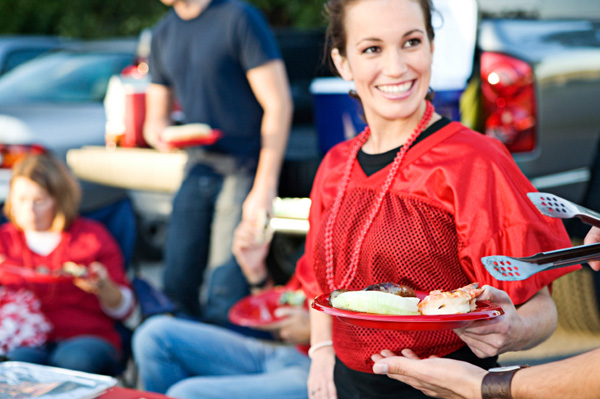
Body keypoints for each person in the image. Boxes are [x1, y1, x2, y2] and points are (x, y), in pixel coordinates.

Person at [295, 1, 580, 398]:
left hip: (446, 388)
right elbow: (319, 285)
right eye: (372, 49)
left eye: (411, 42)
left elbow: (542, 308)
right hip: (346, 385)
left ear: (431, 47)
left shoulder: (475, 161)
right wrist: (322, 351)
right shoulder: (335, 165)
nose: (396, 67)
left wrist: (512, 331)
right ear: (344, 63)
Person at [144, 0, 292, 318]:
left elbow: (278, 104)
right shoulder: (162, 32)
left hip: (244, 168)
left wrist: (265, 186)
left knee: (224, 292)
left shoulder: (238, 18)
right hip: (197, 167)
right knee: (175, 285)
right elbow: (155, 119)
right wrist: (159, 133)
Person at [370, 226, 600, 399]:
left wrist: (480, 384)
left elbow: (538, 298)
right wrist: (330, 349)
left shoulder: (480, 168)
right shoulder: (335, 163)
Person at [0, 154, 134, 375]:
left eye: (39, 200)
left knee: (72, 363)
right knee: (15, 367)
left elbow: (126, 310)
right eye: (21, 200)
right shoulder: (5, 241)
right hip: (25, 339)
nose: (29, 210)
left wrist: (104, 285)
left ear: (60, 199)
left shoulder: (91, 237)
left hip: (85, 337)